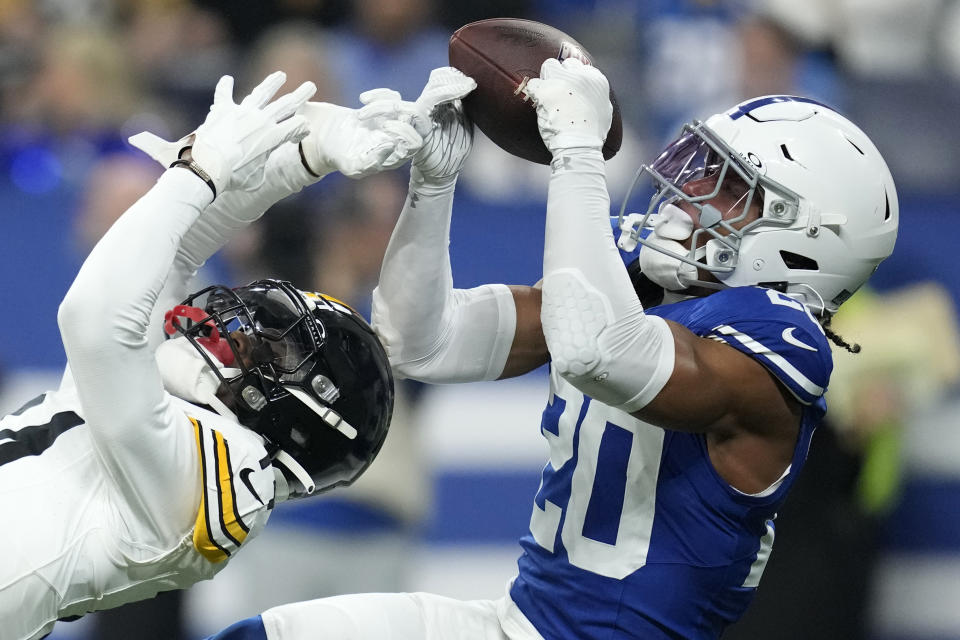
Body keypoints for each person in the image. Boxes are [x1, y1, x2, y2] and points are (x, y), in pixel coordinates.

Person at [206, 58, 898, 640]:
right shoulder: (638, 285)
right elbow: (422, 341)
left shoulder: (781, 343)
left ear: (805, 241)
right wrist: (435, 183)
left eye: (729, 189)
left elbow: (601, 351)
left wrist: (576, 155)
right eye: (699, 171)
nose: (689, 196)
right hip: (523, 621)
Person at [0, 68, 436, 640]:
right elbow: (171, 262)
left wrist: (198, 172)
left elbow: (95, 319)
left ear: (297, 412)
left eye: (268, 346)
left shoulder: (225, 474)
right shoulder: (173, 444)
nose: (237, 327)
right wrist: (307, 156)